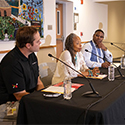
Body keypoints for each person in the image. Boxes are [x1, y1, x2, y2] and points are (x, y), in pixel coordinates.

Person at [0, 26, 44, 117]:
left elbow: (38, 82)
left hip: (28, 98)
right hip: (9, 104)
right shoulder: (12, 62)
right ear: (28, 45)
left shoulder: (32, 56)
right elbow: (19, 95)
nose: (40, 42)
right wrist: (39, 101)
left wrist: (43, 96)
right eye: (37, 41)